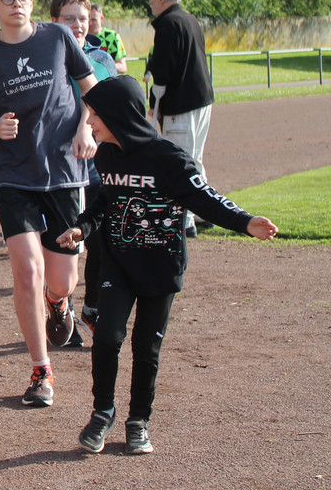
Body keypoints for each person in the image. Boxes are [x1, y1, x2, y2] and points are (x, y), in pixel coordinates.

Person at [57, 75, 278, 455]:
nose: (89, 123)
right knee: (107, 336)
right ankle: (102, 412)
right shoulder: (107, 154)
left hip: (161, 268)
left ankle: (138, 420)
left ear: (119, 116)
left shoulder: (169, 158)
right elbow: (104, 203)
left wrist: (245, 222)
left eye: (95, 115)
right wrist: (81, 227)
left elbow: (205, 199)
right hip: (118, 264)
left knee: (147, 346)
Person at [0, 0, 97, 407]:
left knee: (62, 277)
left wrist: (86, 129)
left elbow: (90, 87)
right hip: (13, 173)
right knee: (27, 268)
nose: (15, 4)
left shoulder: (57, 38)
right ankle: (42, 370)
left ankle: (58, 304)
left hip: (63, 169)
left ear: (31, 1)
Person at [50, 0, 119, 346]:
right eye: (68, 18)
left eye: (82, 17)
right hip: (58, 169)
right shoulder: (47, 58)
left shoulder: (102, 59)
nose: (77, 24)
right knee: (66, 244)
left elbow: (110, 106)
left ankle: (91, 308)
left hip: (96, 166)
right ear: (54, 21)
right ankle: (63, 308)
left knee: (100, 239)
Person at [147, 0, 214, 239]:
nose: (150, 3)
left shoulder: (167, 24)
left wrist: (156, 105)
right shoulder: (190, 19)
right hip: (201, 100)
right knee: (194, 157)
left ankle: (185, 220)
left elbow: (163, 70)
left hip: (182, 104)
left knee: (179, 161)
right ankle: (205, 209)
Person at [88, 3, 128, 74]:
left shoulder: (112, 36)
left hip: (107, 81)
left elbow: (122, 67)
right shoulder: (80, 37)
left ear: (101, 18)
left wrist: (103, 66)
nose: (90, 23)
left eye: (94, 20)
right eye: (88, 20)